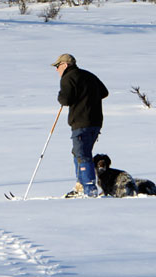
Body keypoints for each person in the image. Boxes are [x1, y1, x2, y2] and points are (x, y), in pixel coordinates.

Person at [52, 54, 108, 198]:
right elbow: (104, 92)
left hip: (81, 122)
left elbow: (65, 99)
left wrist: (61, 95)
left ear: (65, 65)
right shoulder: (89, 75)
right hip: (96, 122)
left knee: (82, 154)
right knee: (79, 152)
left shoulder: (68, 78)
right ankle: (81, 186)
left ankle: (89, 188)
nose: (57, 70)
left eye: (57, 66)